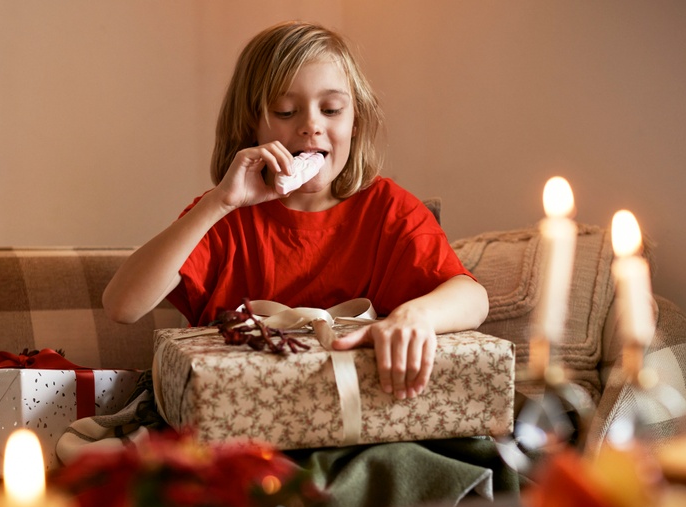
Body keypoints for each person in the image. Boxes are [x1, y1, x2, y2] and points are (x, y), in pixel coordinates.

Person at [103, 20, 488, 400]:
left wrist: (414, 317)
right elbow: (122, 306)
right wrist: (218, 203)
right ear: (252, 124)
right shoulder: (224, 215)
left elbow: (472, 298)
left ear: (356, 122)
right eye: (286, 112)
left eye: (332, 109)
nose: (311, 126)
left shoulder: (388, 211)